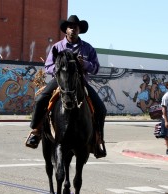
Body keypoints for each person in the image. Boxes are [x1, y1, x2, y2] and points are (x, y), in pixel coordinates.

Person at [25, 15, 107, 158]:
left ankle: (97, 140)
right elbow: (48, 66)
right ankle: (36, 132)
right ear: (66, 30)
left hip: (81, 83)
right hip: (60, 81)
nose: (73, 29)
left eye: (76, 27)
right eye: (70, 27)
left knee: (100, 108)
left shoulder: (88, 48)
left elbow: (96, 68)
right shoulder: (57, 47)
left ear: (79, 30)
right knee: (41, 100)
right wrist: (59, 69)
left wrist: (85, 64)